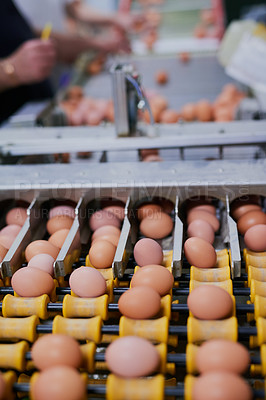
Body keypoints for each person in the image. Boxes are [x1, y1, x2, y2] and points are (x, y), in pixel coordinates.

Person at [0, 0, 132, 123]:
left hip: (41, 108)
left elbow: (28, 34)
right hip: (12, 124)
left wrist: (99, 45)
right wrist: (12, 69)